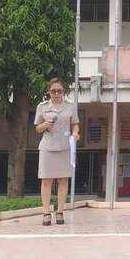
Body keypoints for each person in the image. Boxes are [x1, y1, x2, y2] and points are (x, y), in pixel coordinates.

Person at [34, 78, 80, 226]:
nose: (56, 94)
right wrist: (45, 125)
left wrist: (75, 133)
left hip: (65, 147)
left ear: (63, 91)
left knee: (63, 179)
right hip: (47, 147)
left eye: (59, 91)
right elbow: (37, 128)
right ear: (49, 92)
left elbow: (75, 124)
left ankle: (60, 211)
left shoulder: (70, 106)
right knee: (46, 180)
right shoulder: (42, 106)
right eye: (53, 91)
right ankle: (46, 213)